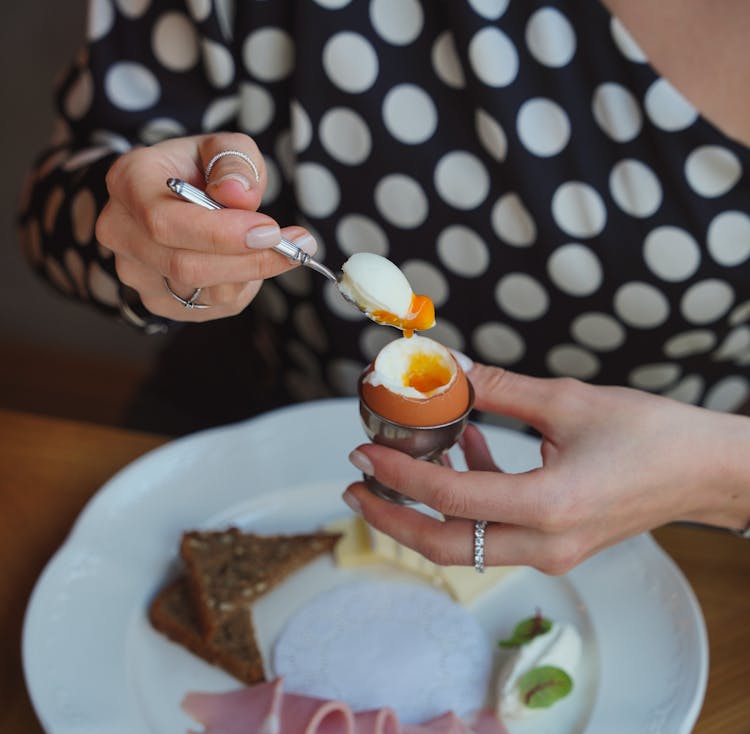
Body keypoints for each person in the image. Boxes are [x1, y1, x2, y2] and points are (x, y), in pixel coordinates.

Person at [18, 0, 750, 570]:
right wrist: (144, 238)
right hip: (258, 441)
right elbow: (57, 203)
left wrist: (721, 478)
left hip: (679, 529)